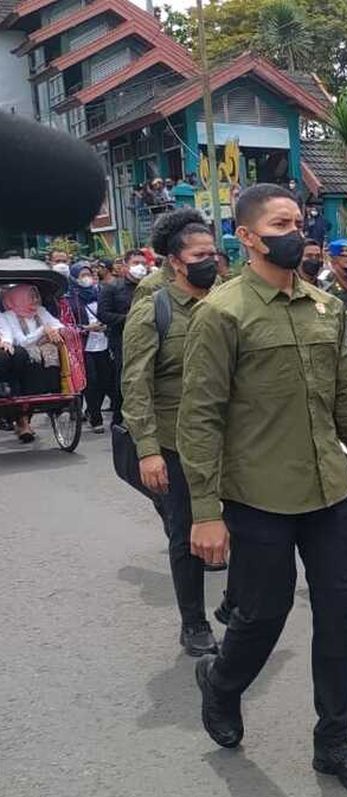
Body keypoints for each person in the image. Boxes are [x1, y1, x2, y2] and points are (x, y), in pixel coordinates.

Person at [178, 184, 347, 792]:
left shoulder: (326, 307)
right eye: (280, 224)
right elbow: (199, 417)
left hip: (330, 491)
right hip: (259, 497)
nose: (297, 232)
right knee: (262, 616)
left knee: (339, 615)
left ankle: (335, 741)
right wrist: (205, 512)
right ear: (247, 237)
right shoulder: (222, 313)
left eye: (299, 221)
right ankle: (221, 683)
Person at [122, 207, 221, 657]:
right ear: (176, 261)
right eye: (199, 255)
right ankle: (194, 622)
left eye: (213, 254)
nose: (210, 262)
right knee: (185, 532)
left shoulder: (226, 303)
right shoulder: (153, 308)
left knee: (248, 524)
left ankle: (236, 602)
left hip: (230, 437)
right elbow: (135, 383)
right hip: (175, 441)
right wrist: (147, 450)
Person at [1, 284, 65, 441]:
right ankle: (22, 422)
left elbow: (58, 326)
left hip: (42, 358)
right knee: (22, 360)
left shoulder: (41, 311)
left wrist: (53, 332)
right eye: (31, 297)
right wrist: (43, 331)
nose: (36, 300)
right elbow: (20, 341)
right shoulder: (8, 316)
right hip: (20, 361)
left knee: (53, 353)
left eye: (36, 296)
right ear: (19, 299)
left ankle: (53, 399)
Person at [65, 262, 114, 433]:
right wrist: (85, 328)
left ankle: (93, 410)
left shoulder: (100, 294)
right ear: (74, 278)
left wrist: (106, 325)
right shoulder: (69, 300)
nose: (87, 278)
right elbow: (66, 325)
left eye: (89, 274)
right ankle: (95, 418)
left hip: (103, 344)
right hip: (83, 347)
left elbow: (109, 313)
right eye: (82, 275)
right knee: (91, 382)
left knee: (106, 380)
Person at [98, 251, 146, 425]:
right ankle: (119, 420)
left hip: (147, 339)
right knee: (124, 379)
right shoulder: (112, 288)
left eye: (143, 263)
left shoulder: (150, 287)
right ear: (125, 266)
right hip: (122, 341)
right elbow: (103, 314)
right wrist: (130, 319)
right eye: (135, 263)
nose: (140, 267)